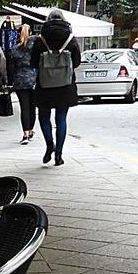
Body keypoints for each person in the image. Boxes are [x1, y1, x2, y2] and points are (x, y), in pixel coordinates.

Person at [30, 9, 81, 166]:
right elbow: (77, 62)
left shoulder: (40, 40)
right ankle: (59, 154)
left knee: (43, 116)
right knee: (61, 118)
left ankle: (49, 144)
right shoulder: (71, 39)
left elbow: (32, 62)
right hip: (65, 86)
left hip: (44, 85)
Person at [7, 23, 38, 144]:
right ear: (30, 33)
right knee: (32, 107)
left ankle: (25, 133)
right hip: (33, 80)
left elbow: (11, 68)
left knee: (24, 107)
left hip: (19, 81)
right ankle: (30, 130)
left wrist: (10, 82)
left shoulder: (14, 50)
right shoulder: (34, 48)